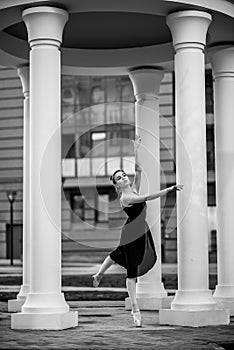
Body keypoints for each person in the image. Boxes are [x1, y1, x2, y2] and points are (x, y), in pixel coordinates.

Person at [92, 135, 183, 327]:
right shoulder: (127, 198)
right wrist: (170, 189)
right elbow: (149, 197)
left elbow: (138, 170)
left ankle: (99, 274)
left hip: (139, 232)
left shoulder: (132, 189)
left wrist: (136, 150)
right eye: (119, 177)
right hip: (132, 234)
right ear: (116, 186)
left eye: (123, 174)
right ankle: (135, 310)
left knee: (118, 254)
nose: (124, 177)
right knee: (131, 272)